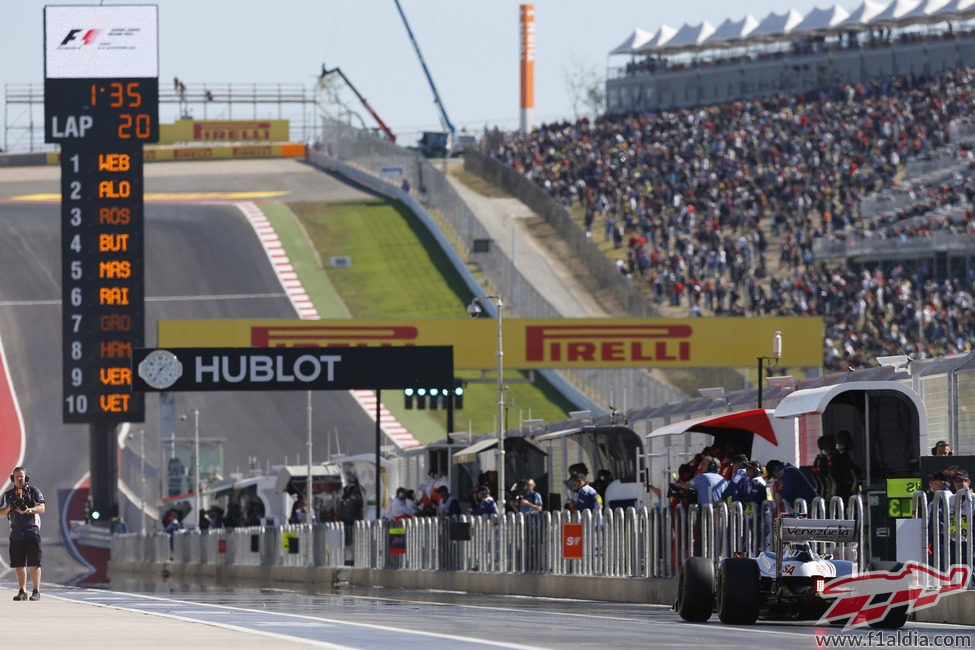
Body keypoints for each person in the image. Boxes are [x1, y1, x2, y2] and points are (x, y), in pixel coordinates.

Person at [0, 467, 45, 601]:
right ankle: (22, 591)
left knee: (34, 563)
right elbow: (0, 513)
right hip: (16, 533)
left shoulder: (33, 491)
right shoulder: (8, 495)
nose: (19, 478)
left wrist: (29, 510)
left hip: (32, 531)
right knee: (19, 564)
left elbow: (42, 507)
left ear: (26, 477)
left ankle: (36, 591)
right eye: (17, 476)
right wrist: (9, 508)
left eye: (22, 476)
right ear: (13, 478)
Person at [828, 430, 860, 501]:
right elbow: (852, 471)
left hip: (839, 490)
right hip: (844, 489)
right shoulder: (841, 457)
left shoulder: (835, 456)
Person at [811, 434, 836, 501]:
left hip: (821, 491)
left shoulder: (820, 458)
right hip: (824, 492)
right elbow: (825, 477)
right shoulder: (823, 459)